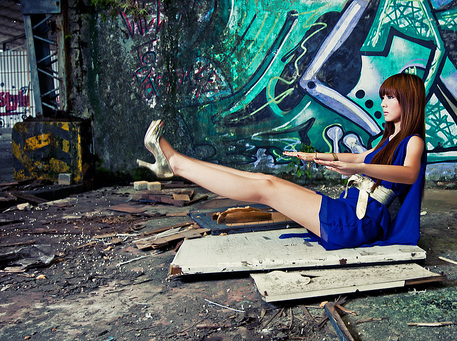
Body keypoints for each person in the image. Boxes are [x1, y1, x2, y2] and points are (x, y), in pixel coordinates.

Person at [137, 72, 427, 250]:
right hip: (348, 210)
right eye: (383, 97)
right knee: (265, 180)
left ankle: (175, 164)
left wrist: (358, 168)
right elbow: (359, 156)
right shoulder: (388, 139)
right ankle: (177, 161)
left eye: (391, 98)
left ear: (409, 101)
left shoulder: (413, 141)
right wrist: (317, 156)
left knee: (267, 189)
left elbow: (409, 174)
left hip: (357, 223)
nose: (383, 103)